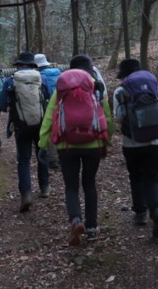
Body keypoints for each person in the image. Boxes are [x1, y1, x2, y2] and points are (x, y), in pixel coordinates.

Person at [39, 54, 112, 245]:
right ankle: (91, 228)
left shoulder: (61, 88)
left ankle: (76, 219)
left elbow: (48, 117)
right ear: (89, 68)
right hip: (92, 144)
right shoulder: (96, 86)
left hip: (66, 145)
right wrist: (106, 141)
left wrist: (43, 145)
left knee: (71, 186)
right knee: (89, 183)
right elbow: (107, 117)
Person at [113, 58, 158, 238]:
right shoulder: (153, 85)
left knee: (136, 176)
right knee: (153, 176)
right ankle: (157, 208)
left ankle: (140, 213)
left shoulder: (120, 90)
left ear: (123, 74)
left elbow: (120, 117)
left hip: (132, 143)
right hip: (156, 141)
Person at [0, 51, 50, 212]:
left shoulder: (10, 80)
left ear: (19, 65)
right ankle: (44, 187)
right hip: (40, 124)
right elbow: (49, 99)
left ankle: (26, 194)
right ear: (33, 65)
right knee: (42, 154)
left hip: (21, 126)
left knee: (23, 159)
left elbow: (1, 106)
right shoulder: (42, 78)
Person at [34, 53, 62, 170]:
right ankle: (62, 156)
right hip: (63, 104)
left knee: (49, 130)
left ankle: (53, 159)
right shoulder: (59, 72)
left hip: (48, 106)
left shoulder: (39, 76)